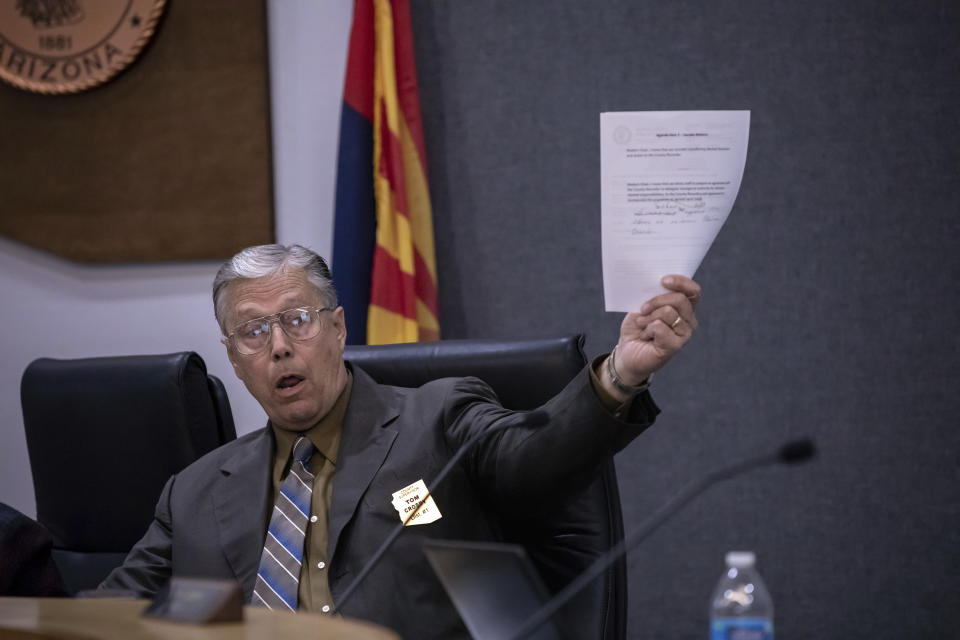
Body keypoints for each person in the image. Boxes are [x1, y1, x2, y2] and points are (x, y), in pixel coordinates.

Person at [100, 243, 700, 638]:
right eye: (253, 331)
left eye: (298, 320)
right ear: (232, 358)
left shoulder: (437, 420)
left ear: (337, 329)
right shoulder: (195, 493)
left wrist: (621, 372)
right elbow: (99, 617)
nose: (278, 346)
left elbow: (534, 460)